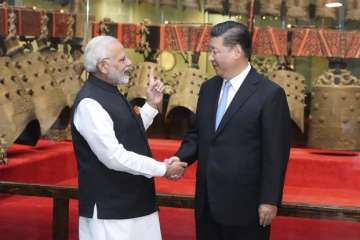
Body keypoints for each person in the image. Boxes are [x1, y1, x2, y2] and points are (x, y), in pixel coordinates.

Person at [169, 21, 291, 240]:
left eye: (215, 51)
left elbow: (276, 153)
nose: (211, 57)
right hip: (207, 202)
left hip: (246, 206)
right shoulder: (208, 88)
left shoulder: (269, 94)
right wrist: (180, 157)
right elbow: (199, 134)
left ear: (237, 51)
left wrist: (270, 200)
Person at [71, 35, 187, 240]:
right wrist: (163, 169)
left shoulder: (110, 92)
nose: (130, 63)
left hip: (135, 203)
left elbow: (128, 130)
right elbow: (113, 156)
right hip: (111, 211)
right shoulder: (90, 103)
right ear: (104, 66)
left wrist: (151, 105)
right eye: (123, 59)